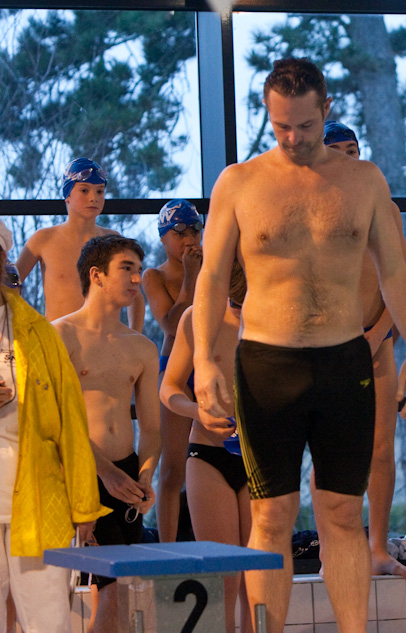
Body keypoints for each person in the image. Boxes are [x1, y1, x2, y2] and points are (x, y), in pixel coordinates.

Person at [192, 57, 406, 633]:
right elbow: (212, 276)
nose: (294, 138)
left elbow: (395, 271)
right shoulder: (240, 183)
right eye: (281, 127)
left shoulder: (363, 181)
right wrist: (201, 358)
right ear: (267, 115)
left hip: (343, 361)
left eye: (305, 125)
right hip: (267, 364)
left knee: (343, 514)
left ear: (327, 110)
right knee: (271, 517)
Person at [313, 120, 406, 578]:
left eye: (351, 150)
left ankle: (376, 548)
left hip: (378, 343)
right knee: (328, 453)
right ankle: (330, 548)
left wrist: (377, 335)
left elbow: (401, 279)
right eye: (336, 150)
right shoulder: (312, 210)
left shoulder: (385, 209)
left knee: (380, 450)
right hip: (328, 345)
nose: (346, 158)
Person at [0, 219, 109, 633]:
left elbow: (71, 422)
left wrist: (83, 503)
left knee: (49, 622)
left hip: (39, 500)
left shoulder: (39, 332)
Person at [53, 235, 161, 633]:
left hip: (127, 475)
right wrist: (105, 473)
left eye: (138, 270)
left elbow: (151, 427)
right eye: (126, 269)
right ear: (96, 275)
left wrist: (145, 475)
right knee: (111, 590)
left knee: (123, 592)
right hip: (80, 474)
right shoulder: (61, 335)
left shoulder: (142, 347)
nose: (136, 279)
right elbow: (57, 422)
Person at [160, 261, 250, 633]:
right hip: (208, 454)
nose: (240, 310)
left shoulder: (276, 319)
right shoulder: (196, 319)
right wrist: (197, 410)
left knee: (256, 583)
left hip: (261, 456)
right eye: (235, 301)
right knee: (223, 581)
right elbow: (169, 388)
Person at [16, 158, 144, 329]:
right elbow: (9, 286)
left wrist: (134, 336)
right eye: (84, 190)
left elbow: (136, 294)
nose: (93, 198)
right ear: (67, 195)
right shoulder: (43, 239)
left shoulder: (113, 241)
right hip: (58, 340)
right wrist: (22, 327)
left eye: (100, 191)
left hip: (103, 340)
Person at [142, 199, 204, 543]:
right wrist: (192, 276)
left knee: (224, 461)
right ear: (164, 237)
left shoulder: (217, 266)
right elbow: (170, 325)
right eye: (179, 232)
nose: (189, 238)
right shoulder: (155, 276)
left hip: (212, 364)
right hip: (176, 372)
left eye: (195, 229)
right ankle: (168, 550)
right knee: (172, 470)